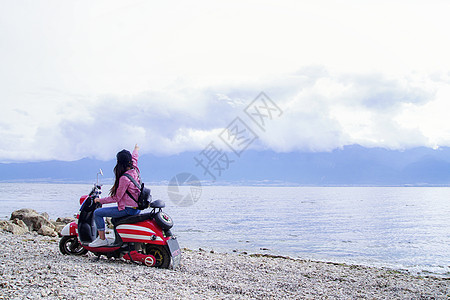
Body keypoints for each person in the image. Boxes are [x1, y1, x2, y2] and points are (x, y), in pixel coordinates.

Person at [89, 144, 141, 247]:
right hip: (136, 208)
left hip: (128, 209)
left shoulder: (124, 179)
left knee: (98, 213)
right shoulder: (134, 169)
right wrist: (136, 149)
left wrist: (100, 201)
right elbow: (135, 157)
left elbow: (117, 198)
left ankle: (102, 239)